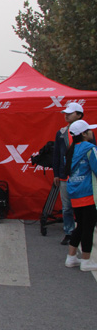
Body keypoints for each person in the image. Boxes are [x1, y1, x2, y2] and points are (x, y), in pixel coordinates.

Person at [63, 120, 97, 271]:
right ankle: (86, 261)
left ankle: (71, 257)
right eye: (89, 130)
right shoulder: (90, 148)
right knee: (88, 228)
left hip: (75, 192)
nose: (92, 132)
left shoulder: (71, 150)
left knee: (80, 226)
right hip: (88, 193)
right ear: (83, 133)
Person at [53, 102, 83, 245]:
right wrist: (56, 174)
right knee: (66, 207)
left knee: (83, 206)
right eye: (66, 113)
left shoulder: (86, 132)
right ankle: (69, 232)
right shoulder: (61, 133)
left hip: (82, 176)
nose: (66, 116)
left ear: (79, 115)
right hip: (65, 176)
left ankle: (83, 232)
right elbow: (57, 155)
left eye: (70, 113)